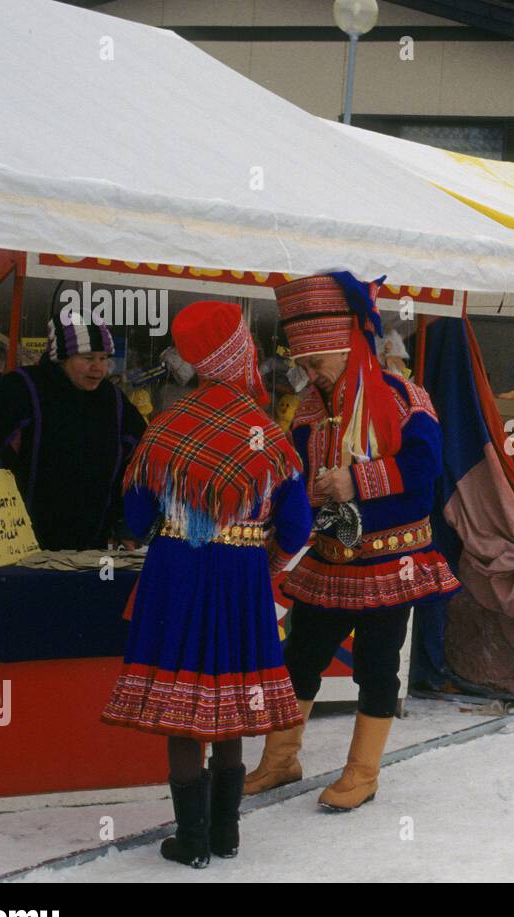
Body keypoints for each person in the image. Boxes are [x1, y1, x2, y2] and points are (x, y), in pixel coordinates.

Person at [101, 302, 311, 867]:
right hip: (241, 579)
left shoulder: (166, 428)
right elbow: (297, 528)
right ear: (242, 357)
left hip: (177, 574)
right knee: (231, 702)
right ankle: (227, 835)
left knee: (181, 703)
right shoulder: (270, 436)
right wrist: (268, 566)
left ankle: (191, 841)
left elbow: (138, 517)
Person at [244, 272, 459, 810]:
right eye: (304, 364)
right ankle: (281, 760)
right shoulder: (312, 411)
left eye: (316, 362)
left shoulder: (405, 398)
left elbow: (426, 467)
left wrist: (355, 483)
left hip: (391, 561)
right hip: (328, 559)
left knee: (377, 666)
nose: (309, 373)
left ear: (346, 348)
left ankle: (362, 772)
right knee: (301, 658)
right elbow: (296, 476)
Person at [0, 314, 146, 549]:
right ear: (62, 358)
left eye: (103, 358)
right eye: (88, 358)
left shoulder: (113, 401)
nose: (98, 368)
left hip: (89, 550)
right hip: (19, 550)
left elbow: (140, 462)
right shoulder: (18, 390)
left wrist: (126, 524)